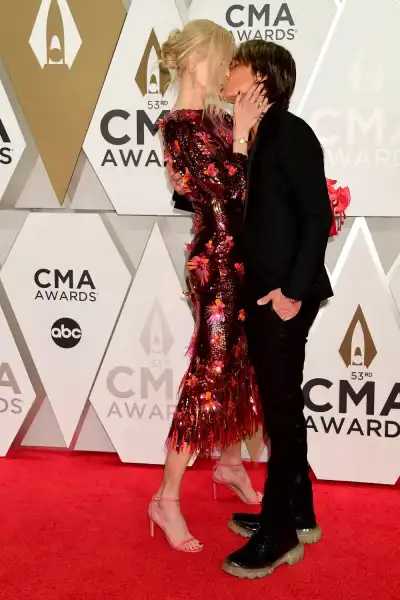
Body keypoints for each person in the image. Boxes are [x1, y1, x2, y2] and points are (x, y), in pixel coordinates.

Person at [169, 39, 350, 577]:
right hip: (266, 296)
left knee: (282, 415)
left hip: (283, 298)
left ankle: (278, 534)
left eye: (237, 65)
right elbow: (235, 204)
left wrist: (291, 293)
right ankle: (298, 513)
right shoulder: (256, 135)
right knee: (281, 412)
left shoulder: (289, 132)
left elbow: (316, 217)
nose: (227, 71)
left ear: (260, 79)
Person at [149, 20, 270, 553]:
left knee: (244, 364)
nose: (227, 69)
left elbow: (258, 185)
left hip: (244, 261)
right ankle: (166, 498)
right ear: (197, 59)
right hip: (214, 267)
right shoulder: (178, 127)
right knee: (210, 374)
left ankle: (230, 463)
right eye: (222, 58)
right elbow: (231, 187)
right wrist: (243, 134)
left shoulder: (219, 119)